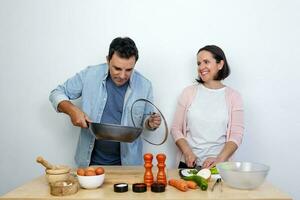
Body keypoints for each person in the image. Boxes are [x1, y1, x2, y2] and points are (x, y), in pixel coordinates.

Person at [49, 37, 161, 167]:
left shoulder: (145, 85)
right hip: (90, 163)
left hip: (128, 165)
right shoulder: (89, 75)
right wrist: (72, 110)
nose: (123, 75)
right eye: (117, 68)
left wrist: (150, 123)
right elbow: (56, 93)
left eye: (129, 70)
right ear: (108, 60)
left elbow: (146, 121)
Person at [171, 45, 244, 169]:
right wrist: (188, 153)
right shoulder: (188, 93)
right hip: (189, 165)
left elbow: (236, 134)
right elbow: (176, 129)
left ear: (220, 64)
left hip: (220, 166)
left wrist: (220, 159)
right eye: (199, 63)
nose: (201, 67)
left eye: (206, 62)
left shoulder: (234, 97)